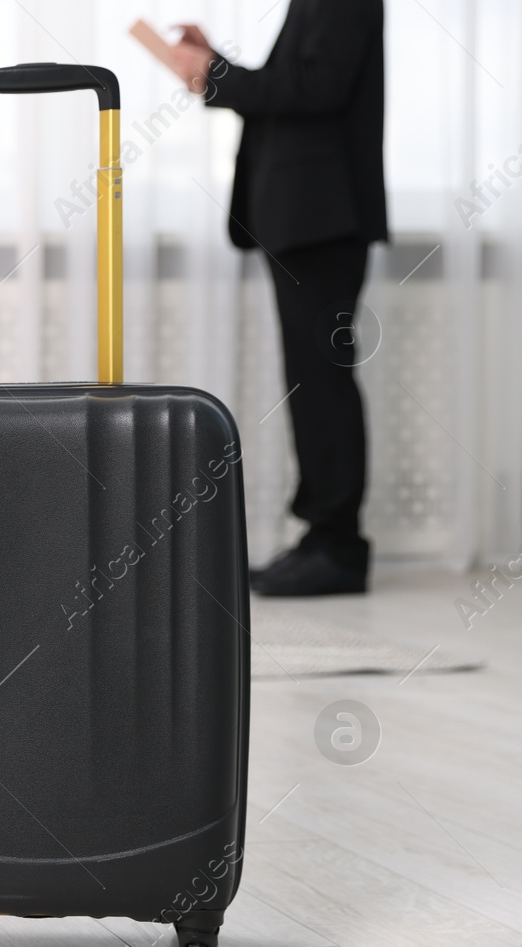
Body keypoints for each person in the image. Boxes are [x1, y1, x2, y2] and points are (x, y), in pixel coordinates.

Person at [169, 2, 387, 596]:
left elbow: (315, 89)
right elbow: (298, 82)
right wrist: (215, 62)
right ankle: (323, 539)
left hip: (322, 219)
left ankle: (338, 547)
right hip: (303, 219)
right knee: (313, 381)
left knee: (323, 381)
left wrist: (214, 74)